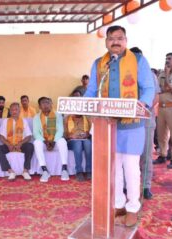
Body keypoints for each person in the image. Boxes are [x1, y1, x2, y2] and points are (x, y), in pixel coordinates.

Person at [84, 26, 155, 227]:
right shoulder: (100, 64)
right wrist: (83, 105)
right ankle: (118, 204)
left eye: (120, 38)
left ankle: (133, 207)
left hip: (132, 125)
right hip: (106, 126)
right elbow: (91, 90)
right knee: (113, 167)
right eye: (112, 38)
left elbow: (148, 88)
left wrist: (143, 104)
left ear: (126, 40)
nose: (116, 42)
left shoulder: (139, 61)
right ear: (106, 41)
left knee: (131, 167)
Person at [130, 47, 160, 200]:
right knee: (129, 154)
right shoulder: (124, 73)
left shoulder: (151, 74)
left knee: (146, 153)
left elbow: (155, 97)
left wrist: (142, 109)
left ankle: (146, 186)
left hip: (146, 119)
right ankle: (128, 185)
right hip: (128, 120)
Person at [153, 52, 172, 169]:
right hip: (162, 107)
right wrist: (167, 86)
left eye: (169, 59)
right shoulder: (162, 73)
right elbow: (159, 89)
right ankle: (163, 155)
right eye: (166, 58)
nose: (167, 60)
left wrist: (168, 74)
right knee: (161, 134)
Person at [33, 97, 69, 182]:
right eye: (43, 103)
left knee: (62, 141)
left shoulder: (57, 115)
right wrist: (45, 142)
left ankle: (64, 169)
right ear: (39, 106)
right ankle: (45, 170)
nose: (46, 105)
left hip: (55, 142)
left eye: (48, 103)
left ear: (51, 104)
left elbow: (60, 130)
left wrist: (54, 142)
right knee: (37, 143)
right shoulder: (36, 117)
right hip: (44, 143)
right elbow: (36, 133)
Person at [0, 102, 34, 181]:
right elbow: (1, 136)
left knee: (30, 146)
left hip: (20, 145)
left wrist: (20, 143)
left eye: (16, 109)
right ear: (10, 112)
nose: (14, 112)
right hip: (8, 145)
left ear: (19, 111)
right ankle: (10, 171)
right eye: (12, 110)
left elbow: (29, 136)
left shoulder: (24, 121)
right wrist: (8, 144)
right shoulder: (6, 121)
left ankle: (25, 171)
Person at [64, 90, 92, 182]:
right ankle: (79, 171)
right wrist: (71, 136)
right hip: (72, 141)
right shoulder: (67, 118)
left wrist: (87, 134)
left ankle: (89, 170)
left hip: (85, 139)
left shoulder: (87, 117)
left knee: (88, 143)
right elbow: (64, 134)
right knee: (78, 144)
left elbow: (92, 131)